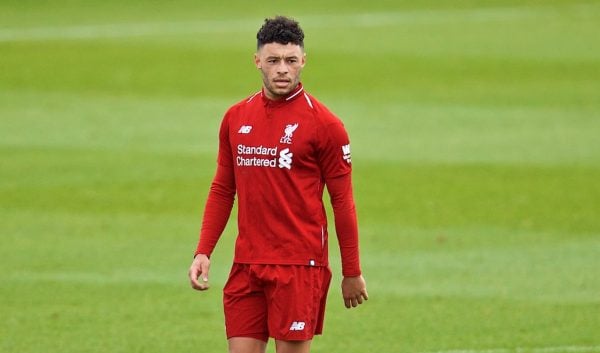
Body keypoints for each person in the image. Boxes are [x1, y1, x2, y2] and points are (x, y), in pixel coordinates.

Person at [188, 16, 368, 353]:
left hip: (299, 266)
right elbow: (223, 189)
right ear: (257, 61)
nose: (282, 69)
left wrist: (352, 271)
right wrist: (204, 250)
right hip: (247, 264)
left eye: (290, 60)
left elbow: (343, 201)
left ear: (303, 61)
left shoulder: (326, 126)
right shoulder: (236, 117)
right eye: (273, 60)